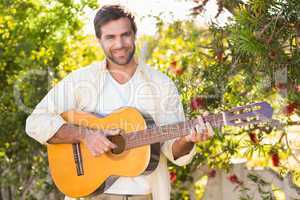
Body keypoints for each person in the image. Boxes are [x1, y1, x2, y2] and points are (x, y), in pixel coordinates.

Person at [25, 5, 213, 200]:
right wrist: (85, 135)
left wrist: (187, 140)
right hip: (91, 195)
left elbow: (171, 149)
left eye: (125, 35)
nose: (120, 44)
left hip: (145, 195)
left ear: (135, 35)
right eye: (110, 37)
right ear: (99, 40)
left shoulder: (161, 84)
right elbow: (35, 122)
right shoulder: (81, 81)